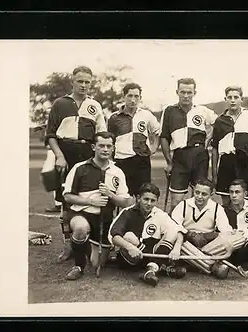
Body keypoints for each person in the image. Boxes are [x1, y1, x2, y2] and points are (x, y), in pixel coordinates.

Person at [44, 66, 107, 263]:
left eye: (87, 82)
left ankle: (87, 242)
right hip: (65, 153)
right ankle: (68, 246)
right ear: (73, 81)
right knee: (66, 200)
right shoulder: (60, 103)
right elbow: (50, 135)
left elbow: (101, 134)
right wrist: (59, 156)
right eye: (80, 81)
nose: (84, 85)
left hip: (87, 153)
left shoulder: (94, 106)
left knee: (88, 195)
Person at [62, 132, 132, 280]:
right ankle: (78, 266)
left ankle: (84, 246)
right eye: (101, 146)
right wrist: (91, 202)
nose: (105, 149)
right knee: (80, 228)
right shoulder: (79, 168)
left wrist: (110, 194)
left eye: (109, 146)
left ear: (113, 148)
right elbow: (67, 196)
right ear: (94, 147)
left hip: (104, 220)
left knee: (97, 263)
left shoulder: (117, 172)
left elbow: (125, 203)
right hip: (81, 213)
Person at [108, 183, 188, 286]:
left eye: (153, 201)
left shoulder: (159, 214)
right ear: (138, 198)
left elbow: (179, 230)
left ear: (157, 201)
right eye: (146, 199)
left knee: (172, 232)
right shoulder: (127, 213)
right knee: (129, 236)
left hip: (151, 253)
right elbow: (114, 236)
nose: (149, 203)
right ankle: (164, 268)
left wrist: (176, 248)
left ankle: (151, 270)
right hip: (133, 256)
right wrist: (130, 247)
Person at [159, 78, 218, 214]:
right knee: (176, 201)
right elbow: (164, 137)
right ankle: (174, 230)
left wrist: (209, 137)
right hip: (180, 157)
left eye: (189, 92)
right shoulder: (169, 111)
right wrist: (169, 162)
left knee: (199, 198)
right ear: (177, 92)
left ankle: (195, 229)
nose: (186, 96)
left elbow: (219, 123)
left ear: (194, 93)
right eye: (182, 92)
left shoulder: (202, 110)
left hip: (200, 156)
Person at [170, 178, 246, 278]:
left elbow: (225, 230)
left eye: (204, 194)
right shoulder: (183, 205)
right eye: (197, 192)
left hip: (208, 244)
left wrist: (208, 236)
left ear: (211, 194)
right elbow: (174, 225)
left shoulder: (216, 208)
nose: (199, 197)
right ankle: (213, 266)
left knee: (238, 237)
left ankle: (195, 262)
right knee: (177, 239)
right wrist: (190, 234)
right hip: (186, 242)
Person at [211, 86, 248, 206]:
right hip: (226, 163)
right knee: (226, 202)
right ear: (225, 99)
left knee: (247, 201)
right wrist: (214, 175)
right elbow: (214, 148)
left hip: (246, 162)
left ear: (241, 99)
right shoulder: (220, 121)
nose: (232, 100)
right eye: (229, 97)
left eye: (236, 97)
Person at [107, 83, 161, 199]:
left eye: (136, 96)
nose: (133, 100)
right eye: (130, 96)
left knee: (143, 194)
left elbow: (158, 131)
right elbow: (109, 139)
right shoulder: (114, 117)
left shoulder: (146, 115)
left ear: (140, 98)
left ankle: (139, 217)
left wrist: (154, 147)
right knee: (123, 195)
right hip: (122, 160)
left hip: (142, 160)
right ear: (124, 97)